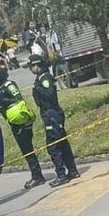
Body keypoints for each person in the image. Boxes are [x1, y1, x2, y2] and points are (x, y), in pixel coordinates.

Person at [0, 66, 46, 189]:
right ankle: (36, 175)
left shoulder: (9, 85)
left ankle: (37, 176)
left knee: (27, 149)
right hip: (13, 122)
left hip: (21, 121)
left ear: (1, 75)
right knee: (25, 150)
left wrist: (4, 100)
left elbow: (18, 98)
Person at [27, 53, 79, 187]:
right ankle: (72, 171)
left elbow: (50, 95)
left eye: (31, 66)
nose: (30, 69)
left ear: (37, 66)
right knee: (62, 143)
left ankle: (61, 175)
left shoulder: (45, 78)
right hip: (50, 113)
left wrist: (37, 89)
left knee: (53, 146)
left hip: (51, 114)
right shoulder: (41, 77)